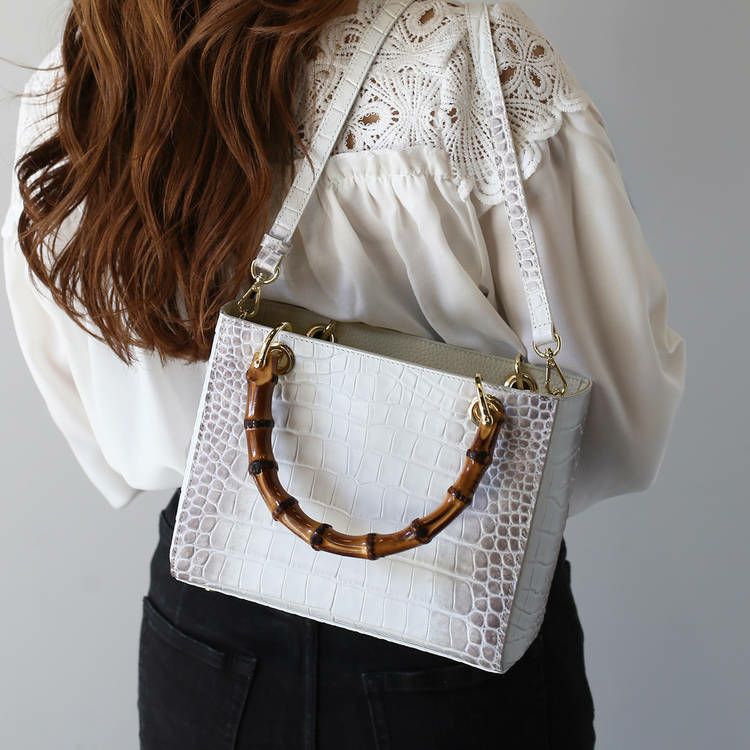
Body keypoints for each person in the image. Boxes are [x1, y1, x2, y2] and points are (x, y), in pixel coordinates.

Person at [2, 1, 685, 748]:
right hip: (454, 617)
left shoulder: (90, 67)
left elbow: (87, 395)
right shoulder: (470, 56)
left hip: (208, 628)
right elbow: (619, 417)